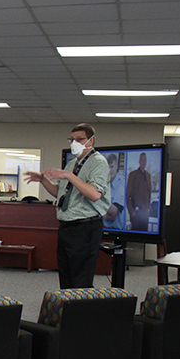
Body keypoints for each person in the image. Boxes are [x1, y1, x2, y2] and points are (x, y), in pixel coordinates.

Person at [24, 123, 110, 289]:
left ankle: (80, 313)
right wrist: (43, 180)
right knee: (66, 274)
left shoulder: (98, 163)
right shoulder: (73, 164)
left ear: (91, 141)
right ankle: (67, 309)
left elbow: (94, 194)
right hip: (67, 227)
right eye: (72, 139)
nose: (74, 143)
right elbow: (60, 193)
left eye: (79, 139)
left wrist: (70, 176)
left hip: (85, 227)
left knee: (80, 278)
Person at [126, 152, 153, 231]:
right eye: (142, 160)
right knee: (135, 238)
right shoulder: (133, 174)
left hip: (145, 213)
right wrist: (132, 212)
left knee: (144, 236)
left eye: (145, 160)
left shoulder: (148, 175)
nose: (143, 162)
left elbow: (149, 193)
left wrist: (149, 206)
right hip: (136, 213)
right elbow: (128, 196)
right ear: (139, 161)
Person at [103, 153, 126, 230]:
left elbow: (113, 212)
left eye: (112, 167)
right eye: (107, 167)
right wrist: (105, 215)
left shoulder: (122, 184)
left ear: (117, 166)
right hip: (101, 230)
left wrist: (97, 197)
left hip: (117, 231)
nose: (109, 170)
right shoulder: (103, 182)